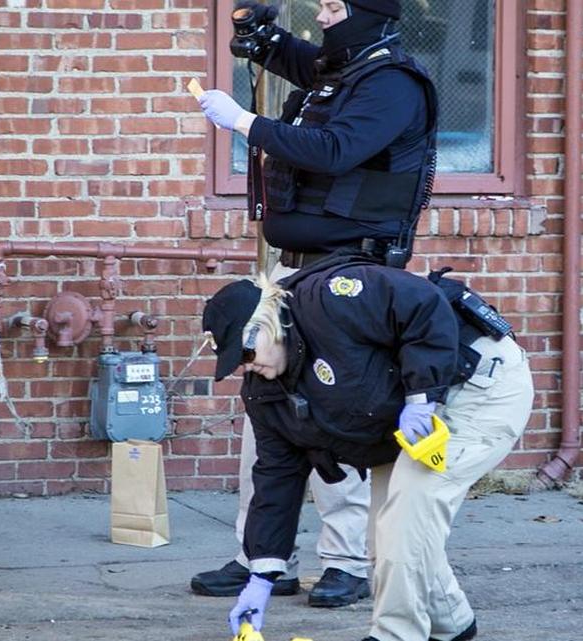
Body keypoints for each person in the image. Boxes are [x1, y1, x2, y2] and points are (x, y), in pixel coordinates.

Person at [192, 0, 439, 608]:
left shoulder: (393, 85)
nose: (323, 17)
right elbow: (303, 61)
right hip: (293, 271)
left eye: (333, 6)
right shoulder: (346, 69)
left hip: (350, 275)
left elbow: (334, 149)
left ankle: (345, 561)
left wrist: (245, 123)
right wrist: (261, 34)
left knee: (336, 409)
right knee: (265, 404)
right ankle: (263, 557)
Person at [201, 254, 534, 641]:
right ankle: (449, 623)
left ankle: (396, 635)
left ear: (267, 323)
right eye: (235, 363)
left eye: (245, 353)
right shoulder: (266, 394)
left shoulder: (328, 298)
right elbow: (276, 478)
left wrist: (421, 398)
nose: (245, 367)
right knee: (384, 536)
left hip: (474, 385)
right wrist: (261, 575)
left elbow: (423, 303)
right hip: (401, 417)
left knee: (404, 521)